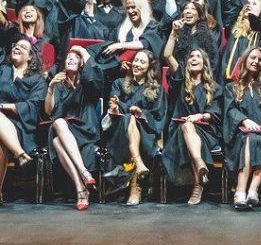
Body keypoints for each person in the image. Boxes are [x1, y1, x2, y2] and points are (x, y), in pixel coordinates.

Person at [222, 40, 261, 209]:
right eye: (253, 58)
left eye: (260, 60)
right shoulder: (231, 87)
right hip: (239, 133)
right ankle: (240, 190)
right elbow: (229, 110)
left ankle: (253, 190)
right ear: (244, 60)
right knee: (250, 138)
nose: (256, 61)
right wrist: (244, 120)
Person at [44, 44, 104, 210]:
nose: (70, 59)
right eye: (68, 57)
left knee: (57, 140)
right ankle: (82, 180)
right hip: (65, 130)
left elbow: (95, 78)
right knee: (58, 125)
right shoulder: (59, 84)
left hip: (86, 129)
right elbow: (49, 111)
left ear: (82, 63)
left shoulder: (87, 82)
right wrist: (51, 88)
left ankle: (81, 187)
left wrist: (83, 51)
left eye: (75, 57)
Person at [105, 49, 167, 206]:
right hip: (119, 134)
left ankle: (135, 184)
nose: (137, 64)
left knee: (133, 119)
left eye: (142, 62)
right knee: (129, 118)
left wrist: (142, 113)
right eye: (136, 60)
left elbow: (159, 116)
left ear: (149, 67)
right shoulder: (119, 83)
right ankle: (136, 184)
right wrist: (115, 108)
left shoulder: (157, 89)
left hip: (146, 133)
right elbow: (114, 107)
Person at [161, 48, 221, 205]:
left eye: (198, 56)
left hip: (206, 131)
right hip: (179, 130)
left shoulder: (214, 87)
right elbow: (167, 55)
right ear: (187, 62)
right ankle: (198, 177)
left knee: (188, 129)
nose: (194, 59)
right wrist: (173, 36)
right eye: (191, 56)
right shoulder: (180, 83)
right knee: (187, 127)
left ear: (204, 63)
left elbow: (216, 112)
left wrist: (199, 116)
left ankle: (198, 181)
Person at [0, 38, 46, 200]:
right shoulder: (2, 70)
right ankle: (20, 154)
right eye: (15, 45)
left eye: (23, 47)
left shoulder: (37, 80)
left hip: (21, 126)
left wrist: (4, 106)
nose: (17, 47)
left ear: (30, 57)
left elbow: (34, 106)